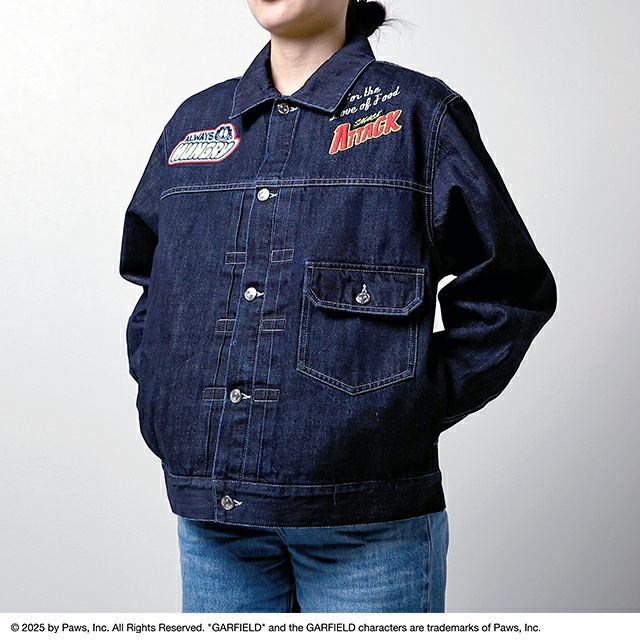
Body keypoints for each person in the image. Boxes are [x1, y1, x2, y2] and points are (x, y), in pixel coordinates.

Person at [118, 0, 557, 613]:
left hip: (366, 525)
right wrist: (167, 404)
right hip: (214, 521)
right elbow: (152, 285)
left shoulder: (418, 115)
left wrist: (405, 409)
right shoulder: (196, 123)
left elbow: (509, 289)